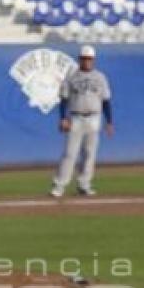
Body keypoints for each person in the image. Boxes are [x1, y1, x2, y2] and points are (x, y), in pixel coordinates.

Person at [51, 45, 113, 198]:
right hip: (76, 117)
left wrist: (109, 121)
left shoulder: (100, 77)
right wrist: (63, 118)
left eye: (89, 59)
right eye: (84, 58)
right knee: (70, 153)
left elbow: (106, 101)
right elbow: (64, 99)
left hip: (94, 118)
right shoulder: (71, 76)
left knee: (89, 153)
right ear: (79, 59)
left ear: (93, 60)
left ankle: (84, 184)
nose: (86, 61)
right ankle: (59, 185)